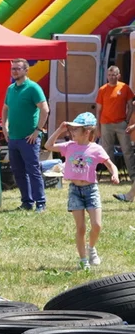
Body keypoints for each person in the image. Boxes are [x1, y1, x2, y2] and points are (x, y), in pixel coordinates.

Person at [44, 112, 118, 269]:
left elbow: (110, 164)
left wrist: (115, 174)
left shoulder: (96, 149)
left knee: (97, 225)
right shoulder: (69, 146)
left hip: (91, 190)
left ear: (87, 132)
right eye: (72, 129)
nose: (72, 132)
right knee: (81, 228)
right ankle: (83, 260)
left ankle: (91, 249)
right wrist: (59, 130)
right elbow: (48, 146)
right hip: (75, 190)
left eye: (76, 129)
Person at [2, 58, 50, 211]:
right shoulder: (10, 89)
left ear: (25, 70)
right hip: (14, 138)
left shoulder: (33, 88)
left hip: (29, 138)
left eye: (17, 68)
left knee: (33, 171)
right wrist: (5, 126)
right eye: (12, 69)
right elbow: (5, 108)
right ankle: (27, 202)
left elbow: (45, 109)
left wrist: (37, 130)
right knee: (18, 172)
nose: (14, 71)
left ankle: (40, 203)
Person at [94, 65, 135, 185]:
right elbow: (98, 109)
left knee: (127, 150)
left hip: (121, 123)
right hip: (105, 123)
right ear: (107, 76)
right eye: (109, 75)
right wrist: (98, 126)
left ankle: (133, 176)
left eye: (114, 75)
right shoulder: (102, 89)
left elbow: (131, 105)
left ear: (119, 76)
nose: (111, 77)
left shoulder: (124, 87)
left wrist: (127, 120)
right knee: (107, 150)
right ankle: (114, 176)